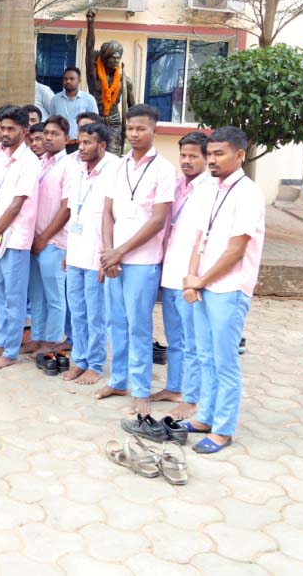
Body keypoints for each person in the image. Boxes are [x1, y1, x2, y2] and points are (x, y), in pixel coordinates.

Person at [180, 127, 265, 454]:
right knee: (205, 356)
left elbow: (236, 250)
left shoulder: (249, 193)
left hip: (229, 289)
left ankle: (223, 429)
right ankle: (206, 417)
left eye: (219, 154)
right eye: (210, 154)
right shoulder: (211, 189)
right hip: (203, 285)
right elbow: (200, 238)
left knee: (224, 360)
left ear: (239, 155)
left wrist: (200, 281)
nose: (212, 160)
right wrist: (191, 276)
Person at [98, 104, 176, 416]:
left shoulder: (164, 170)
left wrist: (119, 252)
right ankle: (118, 381)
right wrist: (108, 253)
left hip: (142, 262)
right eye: (130, 128)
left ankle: (141, 390)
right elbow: (107, 212)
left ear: (154, 130)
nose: (134, 134)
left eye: (141, 129)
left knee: (139, 327)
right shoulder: (117, 166)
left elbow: (158, 220)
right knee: (115, 323)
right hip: (114, 261)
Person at [0, 106, 40, 370]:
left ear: (24, 131)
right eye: (2, 128)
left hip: (15, 240)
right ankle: (0, 341)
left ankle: (11, 351)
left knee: (14, 298)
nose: (4, 133)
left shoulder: (30, 162)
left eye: (10, 129)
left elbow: (16, 206)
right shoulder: (0, 158)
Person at [153, 132, 210, 417]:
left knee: (192, 341)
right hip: (170, 270)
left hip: (190, 275)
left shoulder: (210, 190)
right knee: (174, 337)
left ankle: (192, 396)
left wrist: (196, 276)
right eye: (183, 155)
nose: (186, 161)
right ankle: (174, 387)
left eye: (193, 156)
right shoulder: (175, 185)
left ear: (206, 158)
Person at [62, 123, 119, 385]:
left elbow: (113, 218)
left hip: (97, 256)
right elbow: (74, 213)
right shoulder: (77, 168)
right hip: (76, 251)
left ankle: (95, 365)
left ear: (102, 145)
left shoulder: (114, 169)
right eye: (80, 142)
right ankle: (80, 360)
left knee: (96, 314)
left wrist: (107, 257)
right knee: (77, 312)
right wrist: (68, 250)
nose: (81, 148)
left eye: (87, 143)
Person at [27, 115, 72, 356]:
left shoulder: (69, 165)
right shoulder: (40, 163)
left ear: (67, 138)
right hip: (34, 240)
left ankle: (53, 340)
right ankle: (37, 336)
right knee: (37, 294)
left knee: (54, 296)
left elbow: (67, 209)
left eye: (55, 134)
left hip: (54, 241)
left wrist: (44, 237)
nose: (48, 138)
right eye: (46, 133)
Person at [85, 10, 135, 155]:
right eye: (113, 57)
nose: (116, 60)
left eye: (118, 58)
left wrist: (131, 128)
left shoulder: (125, 81)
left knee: (112, 157)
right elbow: (89, 48)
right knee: (93, 155)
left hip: (114, 121)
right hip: (95, 120)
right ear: (105, 58)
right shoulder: (94, 76)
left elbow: (132, 108)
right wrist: (90, 24)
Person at [49, 66, 97, 150]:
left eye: (72, 79)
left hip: (80, 144)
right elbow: (52, 122)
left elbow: (94, 124)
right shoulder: (55, 99)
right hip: (60, 144)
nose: (68, 81)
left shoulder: (88, 99)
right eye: (65, 79)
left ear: (79, 81)